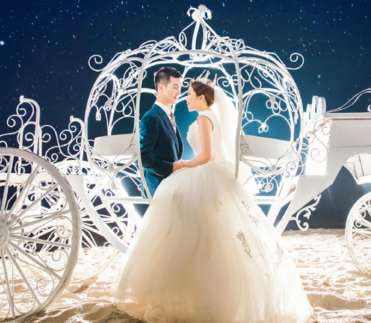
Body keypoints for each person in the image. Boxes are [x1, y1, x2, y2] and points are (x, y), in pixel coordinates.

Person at [114, 72, 316, 323]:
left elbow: (206, 155)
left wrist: (184, 165)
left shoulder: (203, 118)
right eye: (178, 88)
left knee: (203, 230)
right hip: (201, 172)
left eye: (188, 92)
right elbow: (153, 155)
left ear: (201, 97)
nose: (184, 96)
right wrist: (182, 165)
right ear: (161, 87)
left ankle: (197, 286)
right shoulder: (195, 116)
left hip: (206, 170)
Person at [139, 67, 184, 197]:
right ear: (161, 87)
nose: (179, 92)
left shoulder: (168, 115)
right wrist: (172, 167)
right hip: (157, 187)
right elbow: (141, 157)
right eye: (175, 87)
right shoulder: (151, 117)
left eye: (180, 87)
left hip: (171, 185)